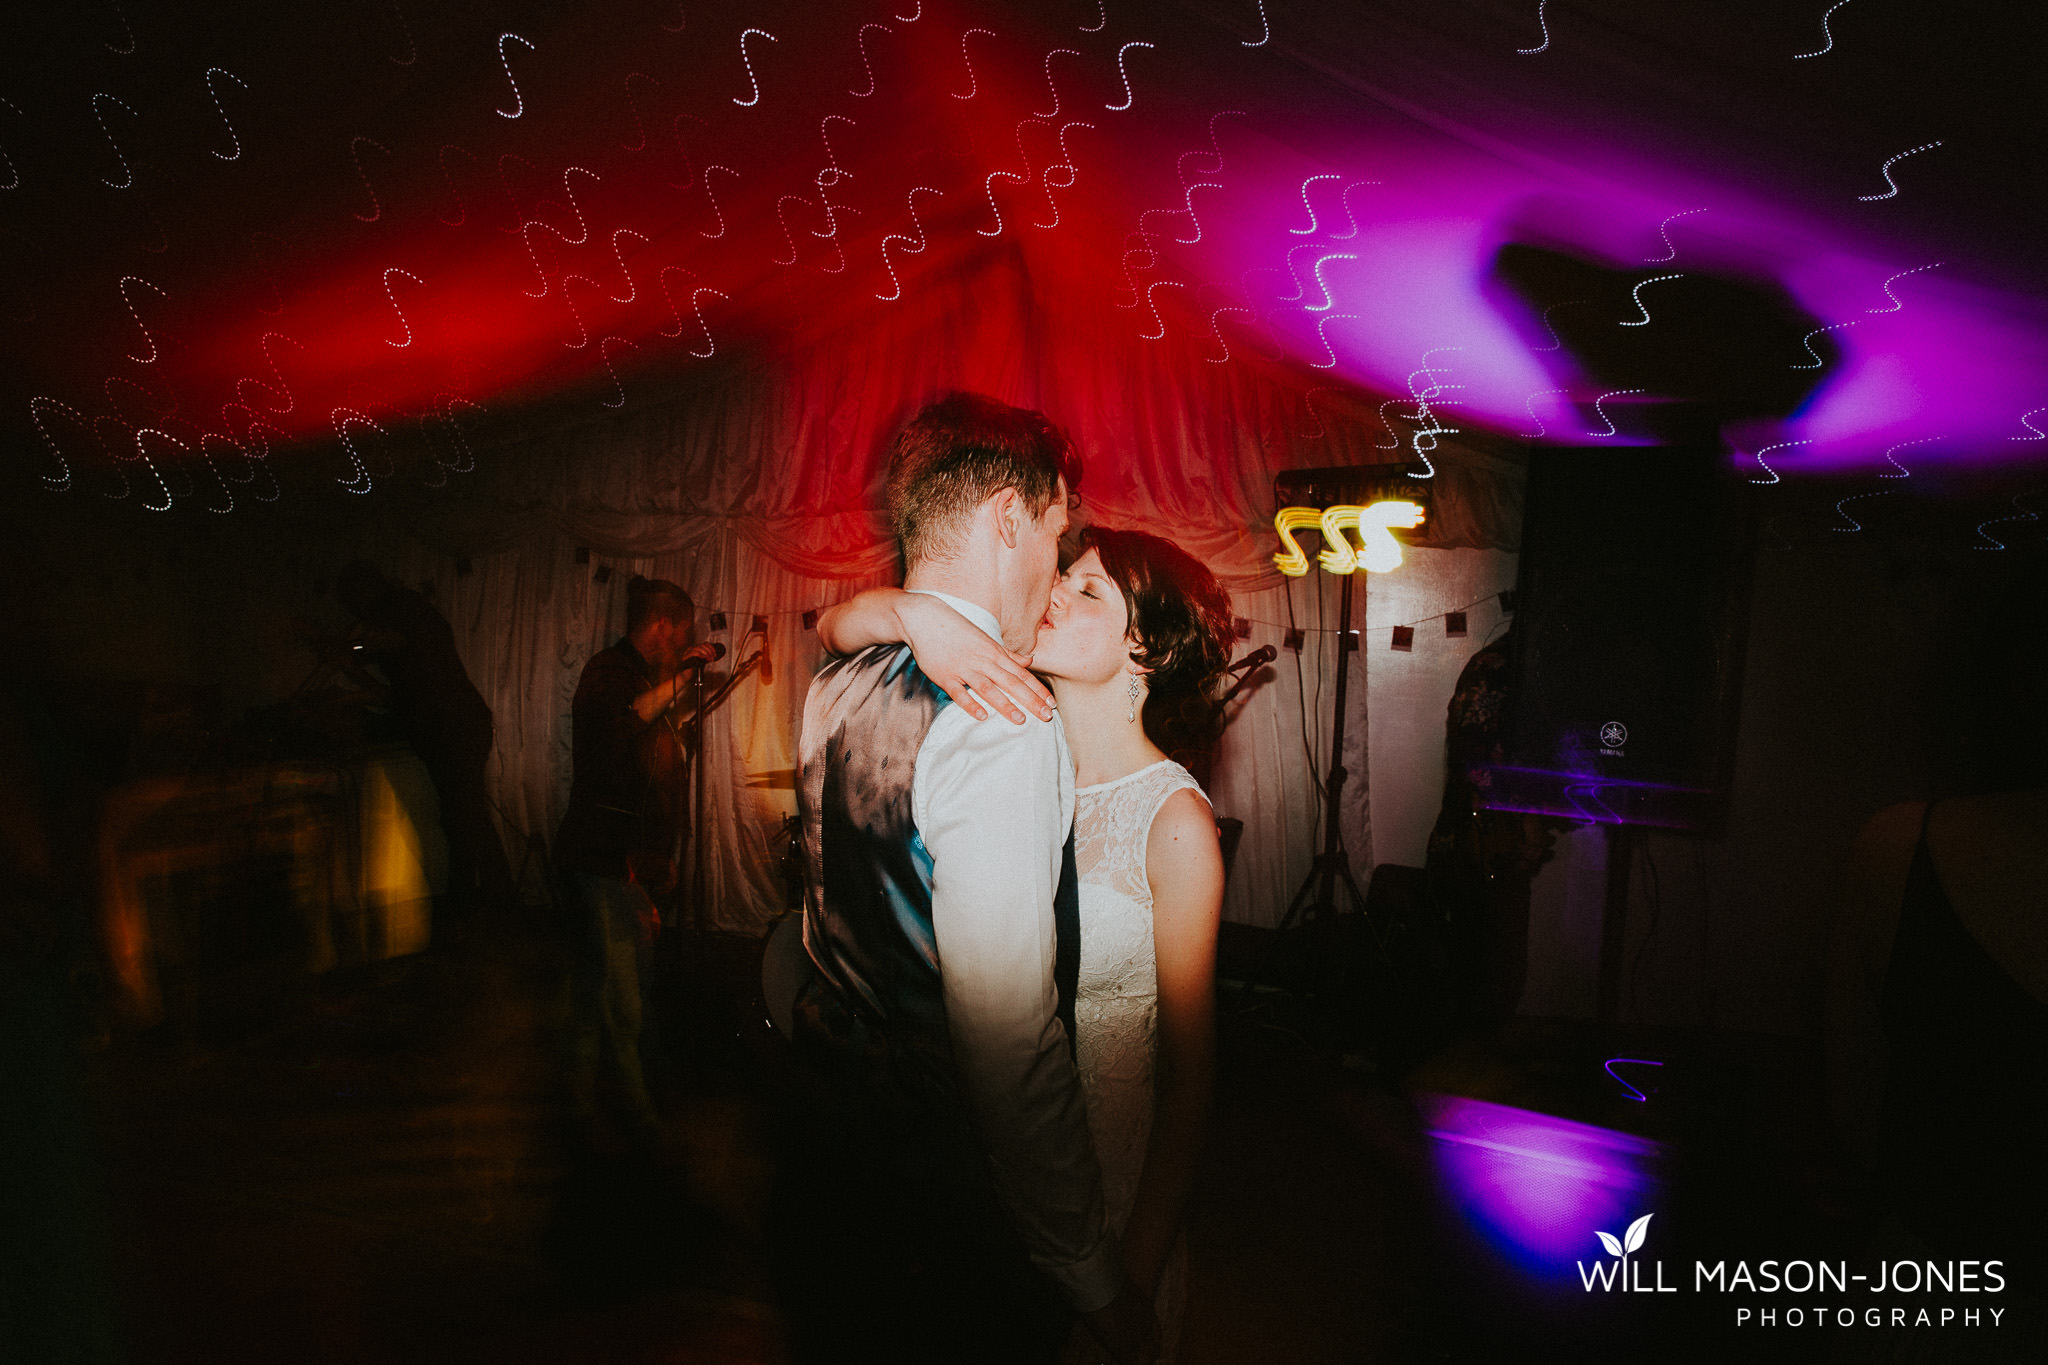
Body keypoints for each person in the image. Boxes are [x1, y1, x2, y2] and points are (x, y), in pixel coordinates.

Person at [787, 394, 1158, 1365]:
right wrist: (1088, 1272)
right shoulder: (1000, 714)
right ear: (1006, 516)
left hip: (831, 1149)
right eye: (1054, 526)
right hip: (947, 1193)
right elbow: (1006, 1044)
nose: (1056, 562)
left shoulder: (843, 672)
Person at [814, 521, 1233, 1360]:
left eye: (1088, 592)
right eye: (1062, 575)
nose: (1054, 594)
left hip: (1109, 1194)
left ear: (1142, 650)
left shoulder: (1175, 821)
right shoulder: (1010, 750)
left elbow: (1189, 1080)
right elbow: (830, 629)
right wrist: (911, 613)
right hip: (994, 1174)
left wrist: (1130, 1284)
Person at [553, 575, 718, 1152]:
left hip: (629, 862)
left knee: (603, 986)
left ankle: (583, 1102)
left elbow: (654, 779)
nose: (685, 643)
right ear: (663, 627)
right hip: (599, 859)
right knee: (620, 989)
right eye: (683, 634)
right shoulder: (607, 674)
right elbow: (622, 731)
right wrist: (682, 679)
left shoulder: (646, 678)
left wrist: (658, 860)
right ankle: (634, 1117)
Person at [333, 561, 514, 933]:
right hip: (447, 727)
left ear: (364, 590)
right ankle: (473, 898)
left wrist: (352, 643)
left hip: (454, 726)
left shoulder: (402, 608)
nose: (352, 607)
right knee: (459, 815)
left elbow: (390, 644)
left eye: (352, 598)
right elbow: (392, 686)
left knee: (467, 816)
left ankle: (498, 902)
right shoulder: (401, 612)